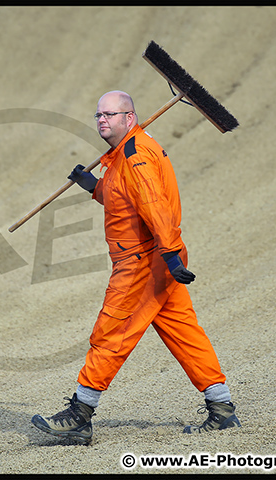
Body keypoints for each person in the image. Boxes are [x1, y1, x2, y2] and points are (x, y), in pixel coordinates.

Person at [31, 91, 240, 443]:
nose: (102, 120)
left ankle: (80, 414)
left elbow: (154, 204)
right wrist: (94, 187)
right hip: (156, 258)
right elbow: (125, 198)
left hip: (143, 260)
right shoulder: (124, 154)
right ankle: (222, 409)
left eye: (110, 114)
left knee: (111, 331)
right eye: (98, 114)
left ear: (130, 118)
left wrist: (171, 252)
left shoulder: (134, 153)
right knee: (183, 331)